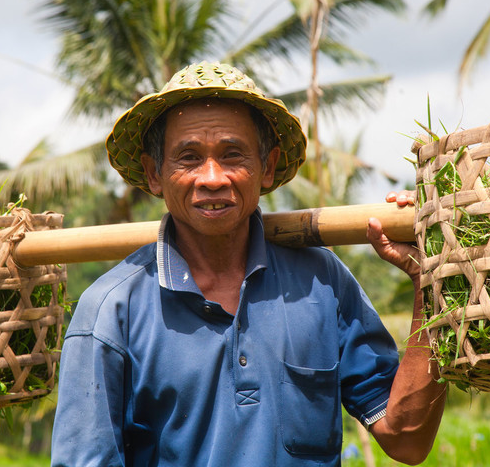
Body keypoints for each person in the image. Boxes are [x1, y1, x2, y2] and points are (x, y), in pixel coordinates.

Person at [51, 61, 445, 467]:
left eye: (232, 154)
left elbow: (407, 441)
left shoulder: (320, 282)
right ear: (155, 174)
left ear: (267, 167)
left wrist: (429, 284)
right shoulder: (111, 312)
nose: (212, 177)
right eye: (188, 157)